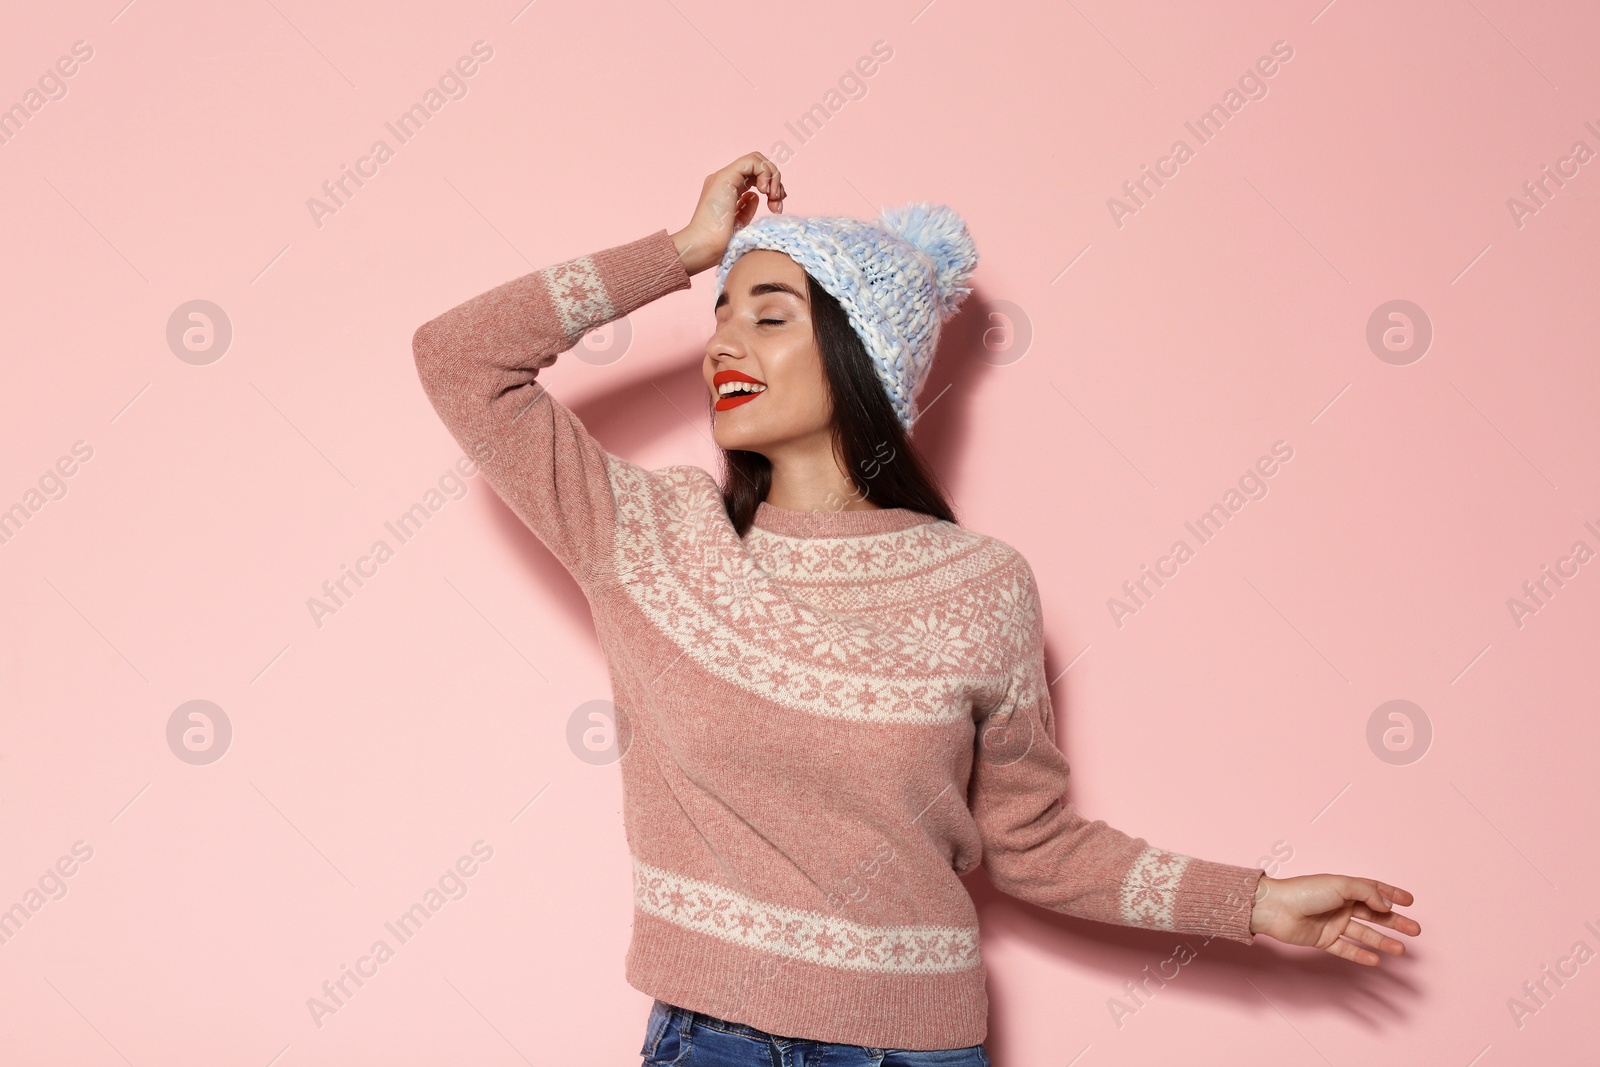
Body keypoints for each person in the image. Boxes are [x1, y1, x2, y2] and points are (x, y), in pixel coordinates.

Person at [411, 152, 1420, 1066]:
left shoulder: (983, 583)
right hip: (709, 1041)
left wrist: (1252, 901)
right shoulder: (653, 538)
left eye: (767, 314)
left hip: (917, 1051)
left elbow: (1033, 844)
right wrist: (683, 250)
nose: (723, 340)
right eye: (720, 313)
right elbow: (459, 358)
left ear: (860, 357)